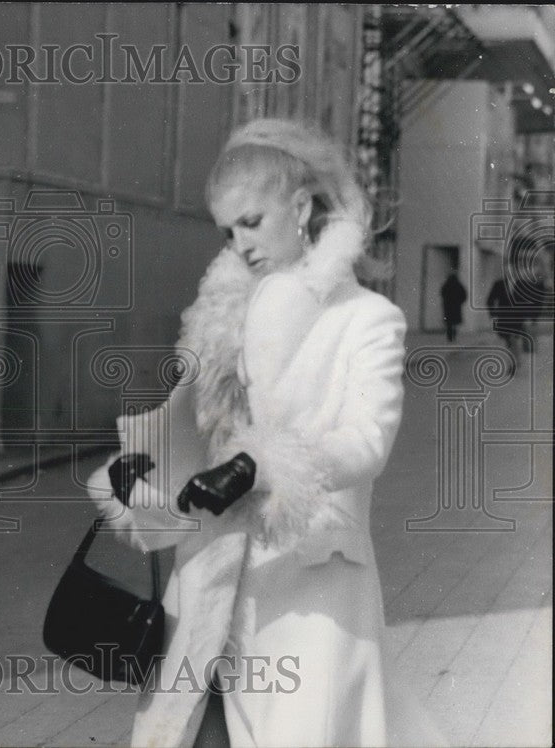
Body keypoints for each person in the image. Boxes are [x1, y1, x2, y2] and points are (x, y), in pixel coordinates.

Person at [88, 120, 445, 747]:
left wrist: (264, 466)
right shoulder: (223, 323)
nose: (241, 244)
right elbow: (198, 452)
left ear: (302, 207)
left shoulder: (369, 320)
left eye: (252, 221)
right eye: (229, 231)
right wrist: (143, 476)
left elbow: (368, 443)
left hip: (316, 588)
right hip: (214, 585)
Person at [440, 270, 467, 343]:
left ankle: (449, 337)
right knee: (454, 323)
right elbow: (464, 295)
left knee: (449, 323)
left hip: (448, 306)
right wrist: (460, 302)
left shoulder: (446, 285)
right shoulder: (458, 285)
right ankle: (453, 336)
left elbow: (442, 293)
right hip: (456, 306)